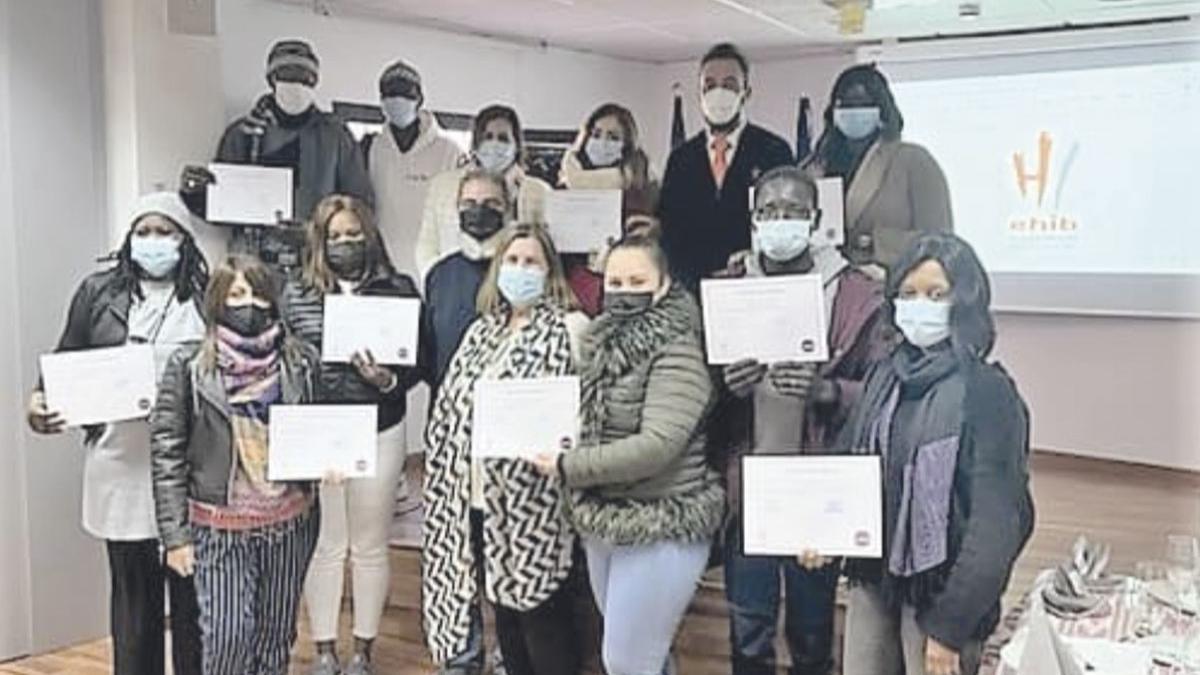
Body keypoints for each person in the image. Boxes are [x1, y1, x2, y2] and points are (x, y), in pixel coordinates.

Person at [713, 166, 891, 675]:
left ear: (815, 220)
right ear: (753, 219)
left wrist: (829, 390)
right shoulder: (729, 286)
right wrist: (726, 384)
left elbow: (882, 391)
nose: (780, 221)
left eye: (793, 212)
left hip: (819, 486)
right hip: (748, 486)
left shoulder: (855, 293)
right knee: (748, 629)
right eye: (769, 211)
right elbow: (698, 389)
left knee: (812, 632)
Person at [26, 191, 206, 675]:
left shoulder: (207, 299)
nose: (153, 241)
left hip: (190, 474)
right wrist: (38, 405)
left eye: (164, 231)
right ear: (128, 239)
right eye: (142, 232)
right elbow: (62, 367)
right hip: (119, 471)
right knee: (134, 605)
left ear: (184, 239)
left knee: (194, 606)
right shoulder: (97, 293)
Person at [837, 233, 1034, 675]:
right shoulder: (884, 378)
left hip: (945, 600)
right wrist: (825, 533)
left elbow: (997, 526)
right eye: (908, 294)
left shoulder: (989, 392)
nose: (919, 304)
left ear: (964, 302)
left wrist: (948, 630)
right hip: (875, 584)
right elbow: (849, 466)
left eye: (936, 294)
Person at [535, 235, 725, 675]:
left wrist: (568, 467)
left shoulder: (679, 348)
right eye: (615, 281)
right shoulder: (601, 343)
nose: (623, 290)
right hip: (606, 518)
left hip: (661, 522)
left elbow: (657, 446)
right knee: (643, 658)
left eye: (637, 280)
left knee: (625, 660)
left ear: (663, 285)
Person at [423, 224, 588, 675]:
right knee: (507, 627)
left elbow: (590, 411)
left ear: (550, 271)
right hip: (476, 499)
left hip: (538, 506)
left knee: (545, 628)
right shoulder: (481, 332)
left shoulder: (571, 328)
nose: (520, 270)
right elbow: (450, 406)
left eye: (531, 261)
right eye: (512, 261)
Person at [151, 255, 322, 675]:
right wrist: (175, 537)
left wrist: (327, 464)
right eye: (238, 294)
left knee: (275, 638)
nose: (251, 305)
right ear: (218, 301)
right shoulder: (189, 366)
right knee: (226, 639)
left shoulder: (299, 361)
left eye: (260, 294)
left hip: (288, 524)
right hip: (218, 526)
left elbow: (317, 429)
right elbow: (167, 451)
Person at [280, 195, 425, 675]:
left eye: (354, 234)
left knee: (369, 544)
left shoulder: (399, 290)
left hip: (378, 426)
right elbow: (279, 359)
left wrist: (387, 379)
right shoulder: (296, 293)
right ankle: (324, 649)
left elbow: (421, 361)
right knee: (325, 543)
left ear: (370, 235)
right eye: (336, 236)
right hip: (318, 432)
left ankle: (363, 649)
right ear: (319, 242)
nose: (346, 243)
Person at [213, 39, 374, 274]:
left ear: (314, 82)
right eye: (287, 76)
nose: (295, 84)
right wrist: (195, 194)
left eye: (304, 78)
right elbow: (220, 205)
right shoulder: (244, 134)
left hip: (316, 262)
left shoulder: (335, 136)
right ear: (272, 80)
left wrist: (314, 230)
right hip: (254, 263)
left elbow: (360, 205)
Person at [658, 43, 793, 290]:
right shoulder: (681, 158)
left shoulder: (774, 151)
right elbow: (669, 229)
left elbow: (784, 224)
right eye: (709, 86)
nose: (718, 93)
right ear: (699, 94)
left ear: (746, 92)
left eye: (730, 85)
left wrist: (751, 263)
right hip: (692, 289)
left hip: (754, 285)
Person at [804, 64, 952, 272]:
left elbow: (941, 243)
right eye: (844, 103)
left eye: (863, 103)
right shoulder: (815, 166)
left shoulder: (913, 160)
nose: (853, 110)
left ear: (883, 109)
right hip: (828, 285)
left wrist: (872, 242)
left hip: (892, 288)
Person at [415, 105, 552, 280]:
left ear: (516, 145)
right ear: (476, 143)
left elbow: (548, 249)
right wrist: (436, 280)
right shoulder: (443, 185)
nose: (494, 144)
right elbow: (427, 243)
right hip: (453, 281)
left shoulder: (538, 192)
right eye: (487, 137)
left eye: (503, 138)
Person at [363, 59, 464, 282]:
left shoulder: (449, 151)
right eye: (389, 93)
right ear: (380, 100)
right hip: (383, 272)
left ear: (420, 98)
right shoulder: (371, 148)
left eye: (405, 93)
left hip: (434, 268)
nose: (397, 99)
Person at [557, 103, 660, 316]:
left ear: (626, 145)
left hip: (626, 292)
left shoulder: (642, 189)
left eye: (613, 137)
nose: (602, 142)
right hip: (569, 295)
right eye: (596, 134)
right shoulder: (565, 188)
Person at [424, 169, 512, 390]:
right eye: (469, 203)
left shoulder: (520, 270)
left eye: (491, 203)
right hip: (448, 407)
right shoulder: (439, 274)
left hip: (506, 406)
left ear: (508, 209)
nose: (479, 210)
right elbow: (427, 356)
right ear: (457, 209)